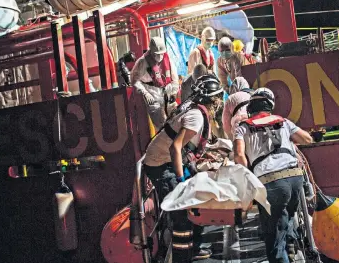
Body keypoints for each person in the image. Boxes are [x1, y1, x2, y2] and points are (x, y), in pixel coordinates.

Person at [143, 75, 224, 262]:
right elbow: (175, 147)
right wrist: (181, 182)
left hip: (168, 161)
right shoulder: (196, 117)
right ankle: (183, 257)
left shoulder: (195, 111)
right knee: (182, 212)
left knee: (195, 199)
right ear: (213, 99)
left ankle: (194, 247)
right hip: (160, 165)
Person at [233, 88, 313, 263]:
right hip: (295, 179)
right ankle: (291, 245)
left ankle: (283, 253)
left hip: (271, 183)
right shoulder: (283, 121)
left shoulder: (242, 128)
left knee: (274, 241)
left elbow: (239, 155)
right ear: (269, 106)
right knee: (287, 217)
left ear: (251, 106)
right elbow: (307, 139)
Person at [131, 37, 179, 131]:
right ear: (152, 52)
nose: (160, 56)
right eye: (157, 54)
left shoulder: (167, 59)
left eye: (162, 54)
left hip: (167, 91)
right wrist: (145, 93)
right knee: (160, 122)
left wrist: (174, 92)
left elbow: (174, 78)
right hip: (152, 92)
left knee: (176, 116)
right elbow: (134, 80)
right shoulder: (142, 62)